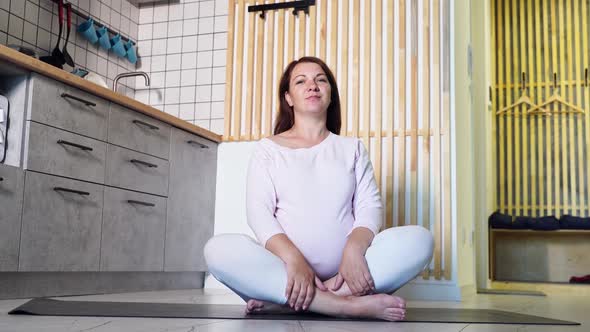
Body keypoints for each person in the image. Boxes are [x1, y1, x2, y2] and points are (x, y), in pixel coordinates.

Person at [204, 56, 434, 321]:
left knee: (420, 240)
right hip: (285, 270)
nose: (312, 85)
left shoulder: (352, 148)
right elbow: (259, 214)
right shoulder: (268, 149)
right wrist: (295, 261)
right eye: (301, 81)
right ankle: (347, 306)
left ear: (330, 95)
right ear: (288, 98)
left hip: (346, 275)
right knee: (217, 250)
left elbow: (369, 207)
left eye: (320, 80)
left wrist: (353, 250)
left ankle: (296, 302)